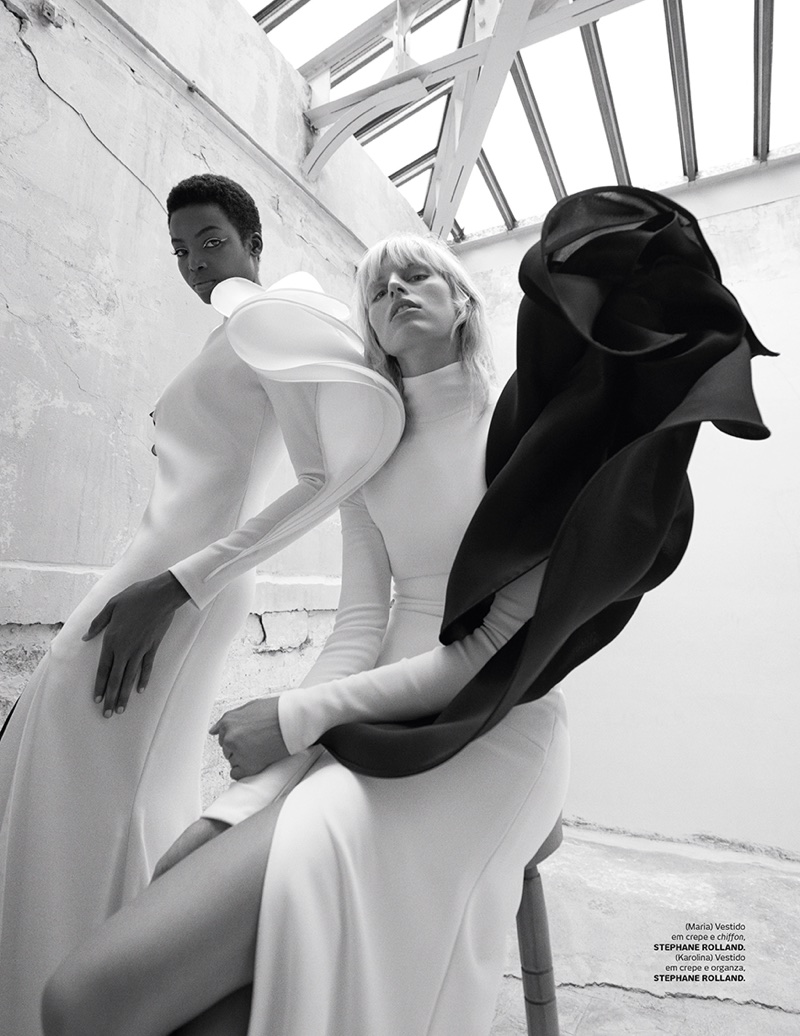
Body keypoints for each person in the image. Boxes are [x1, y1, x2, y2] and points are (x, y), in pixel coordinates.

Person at [41, 232, 570, 1036]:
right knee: (162, 904)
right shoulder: (372, 445)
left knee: (91, 1002)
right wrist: (272, 764)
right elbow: (359, 626)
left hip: (492, 727)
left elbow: (493, 653)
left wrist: (293, 718)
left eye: (416, 275)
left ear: (463, 302)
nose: (394, 292)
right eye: (377, 290)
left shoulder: (523, 430)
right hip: (365, 722)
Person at [0, 173, 404, 1036]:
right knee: (79, 773)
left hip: (179, 589)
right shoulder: (233, 333)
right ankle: (67, 987)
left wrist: (180, 584)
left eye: (211, 241)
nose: (194, 263)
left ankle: (91, 990)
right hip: (150, 575)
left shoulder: (273, 318)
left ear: (255, 244)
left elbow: (321, 479)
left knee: (99, 784)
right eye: (180, 250)